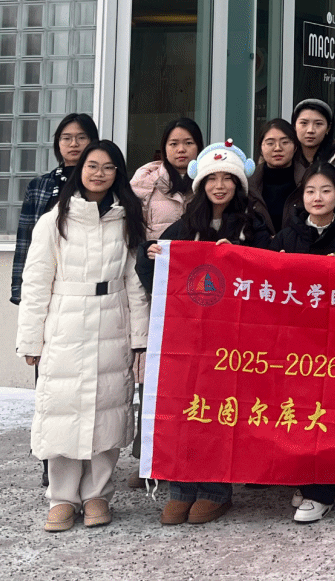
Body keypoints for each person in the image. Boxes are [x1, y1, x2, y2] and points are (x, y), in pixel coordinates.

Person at [17, 139, 148, 532]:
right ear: (80, 170)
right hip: (65, 324)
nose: (99, 173)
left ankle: (97, 495)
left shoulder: (127, 219)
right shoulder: (54, 219)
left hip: (113, 321)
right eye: (92, 166)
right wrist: (31, 339)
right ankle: (61, 498)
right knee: (62, 411)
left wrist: (140, 336)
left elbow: (134, 281)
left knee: (107, 412)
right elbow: (36, 282)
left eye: (108, 167)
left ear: (117, 173)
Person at [141, 139, 272, 525]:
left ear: (238, 184)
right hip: (189, 339)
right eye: (212, 178)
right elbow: (155, 274)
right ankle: (181, 488)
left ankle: (216, 490)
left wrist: (243, 258)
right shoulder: (186, 226)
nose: (219, 185)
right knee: (185, 409)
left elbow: (271, 272)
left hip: (235, 341)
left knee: (221, 412)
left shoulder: (252, 225)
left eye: (227, 178)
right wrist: (153, 257)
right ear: (201, 184)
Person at [269, 160, 335, 524]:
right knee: (299, 411)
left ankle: (322, 491)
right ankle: (305, 478)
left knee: (330, 413)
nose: (318, 197)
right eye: (311, 191)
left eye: (326, 190)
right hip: (297, 341)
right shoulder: (286, 237)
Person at [11, 112, 100, 488]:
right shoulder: (41, 186)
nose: (74, 144)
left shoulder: (102, 183)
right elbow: (26, 241)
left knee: (91, 389)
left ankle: (91, 468)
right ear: (57, 143)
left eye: (81, 137)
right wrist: (22, 294)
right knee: (52, 390)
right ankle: (53, 467)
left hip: (94, 300)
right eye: (67, 137)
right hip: (52, 299)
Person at [131, 118, 203, 239]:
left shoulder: (209, 181)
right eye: (174, 144)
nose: (181, 149)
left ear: (199, 147)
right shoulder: (146, 179)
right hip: (157, 251)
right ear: (164, 148)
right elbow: (133, 228)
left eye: (188, 143)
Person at [247, 118, 303, 234]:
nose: (277, 148)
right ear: (261, 148)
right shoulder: (249, 184)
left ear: (295, 147)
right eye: (270, 143)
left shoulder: (308, 181)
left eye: (285, 142)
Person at [291, 98, 335, 168]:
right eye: (304, 123)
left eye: (318, 124)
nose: (310, 130)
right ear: (294, 126)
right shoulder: (287, 159)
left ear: (328, 128)